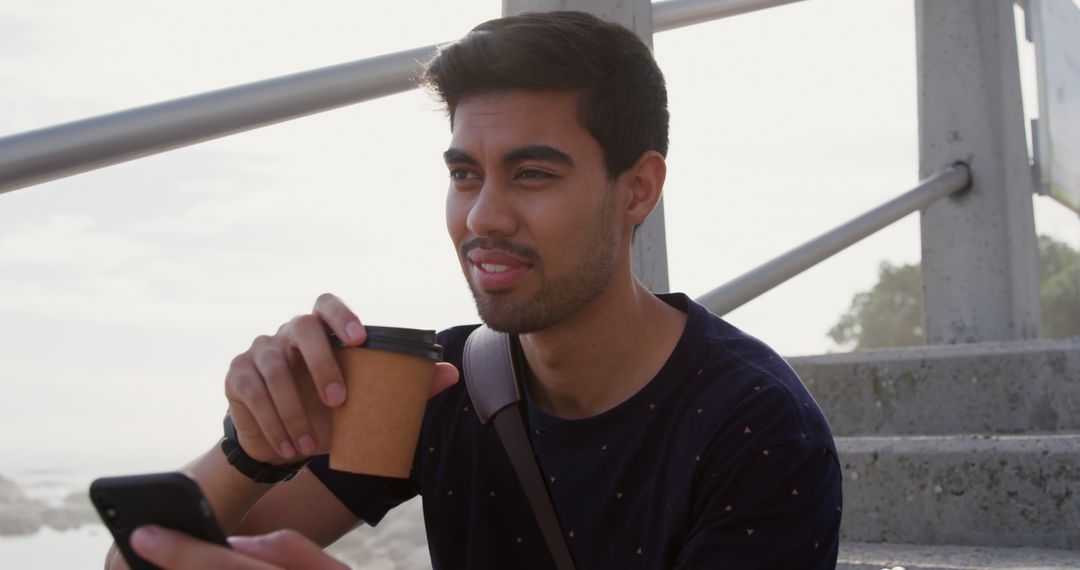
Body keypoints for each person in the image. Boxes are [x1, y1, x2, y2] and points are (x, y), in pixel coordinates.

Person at [107, 11, 842, 570]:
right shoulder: (445, 384)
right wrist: (256, 443)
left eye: (533, 174)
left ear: (638, 189)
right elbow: (139, 559)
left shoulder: (757, 430)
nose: (483, 216)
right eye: (465, 174)